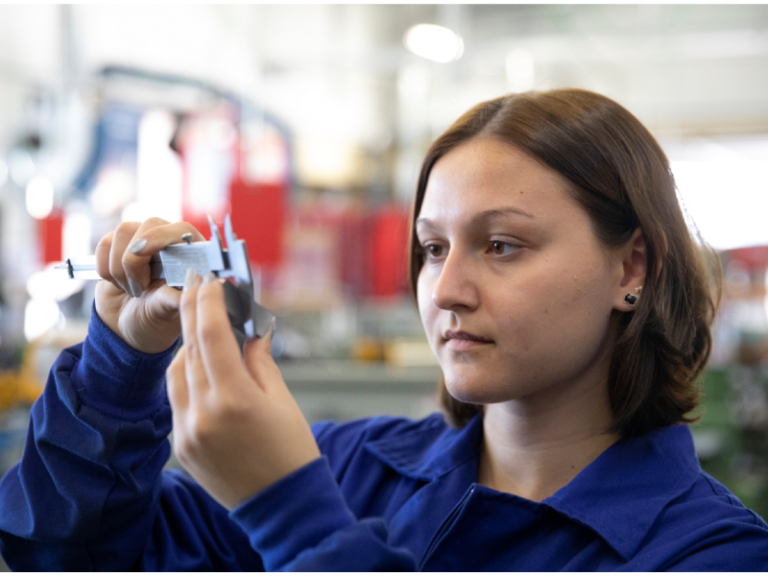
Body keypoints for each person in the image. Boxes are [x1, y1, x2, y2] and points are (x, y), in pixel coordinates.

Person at [1, 88, 767, 572]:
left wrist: (291, 516)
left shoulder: (710, 552)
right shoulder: (348, 466)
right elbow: (63, 554)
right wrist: (120, 366)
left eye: (502, 245)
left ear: (631, 268)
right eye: (434, 248)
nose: (448, 290)